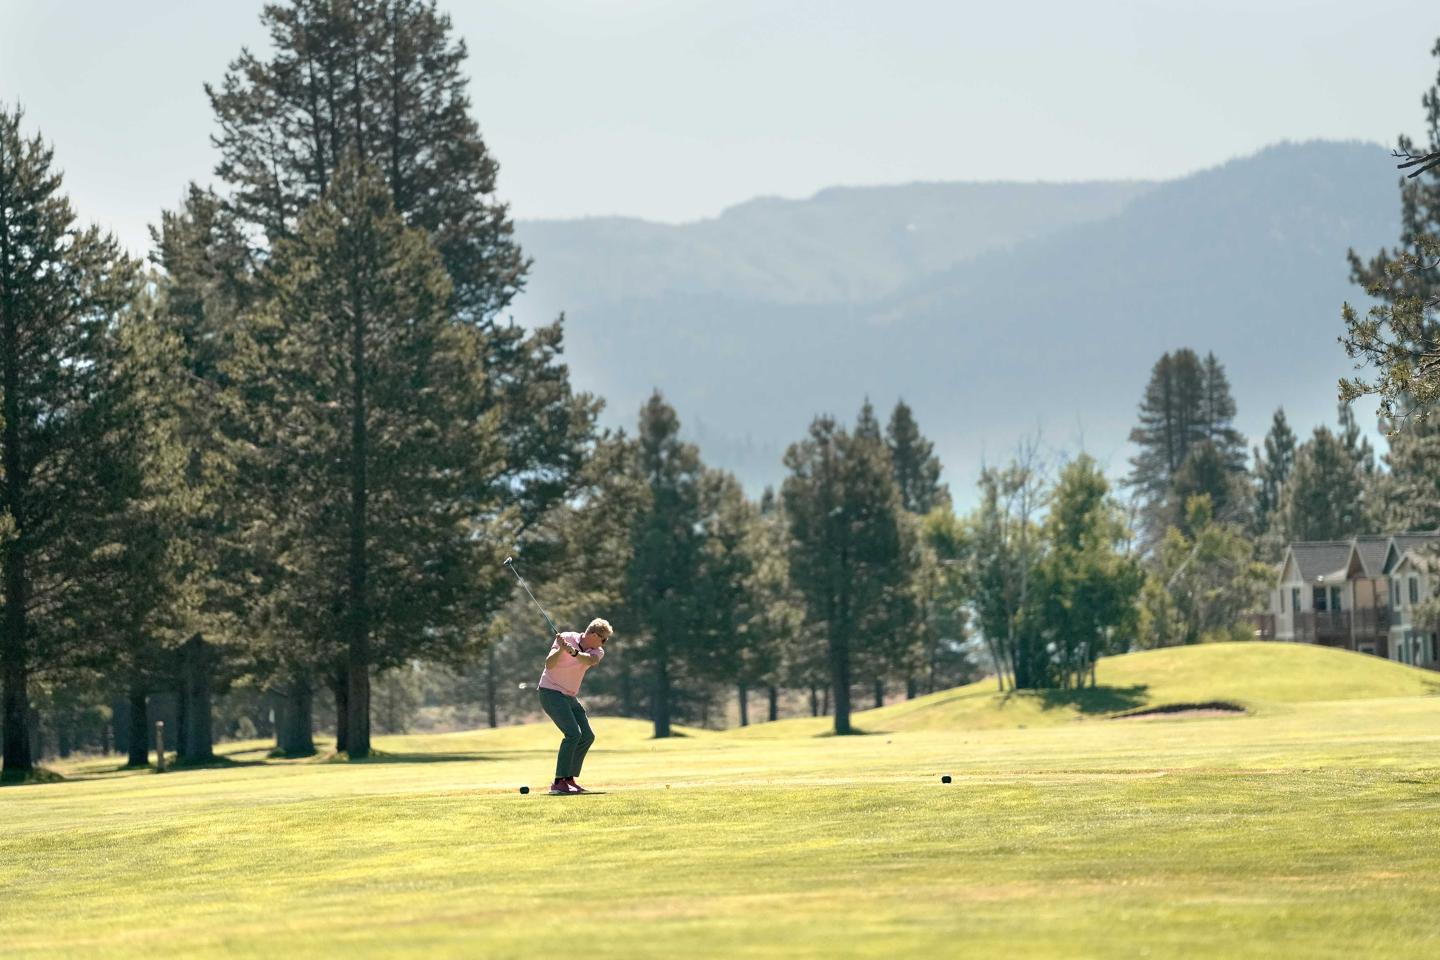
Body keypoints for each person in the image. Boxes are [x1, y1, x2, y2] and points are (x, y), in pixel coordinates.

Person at [536, 618, 613, 794]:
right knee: (572, 734)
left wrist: (574, 653)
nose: (604, 643)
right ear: (594, 635)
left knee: (587, 736)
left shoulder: (597, 651)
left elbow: (590, 661)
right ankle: (558, 783)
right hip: (550, 692)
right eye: (603, 639)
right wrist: (562, 649)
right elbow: (549, 664)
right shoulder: (566, 637)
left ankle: (569, 779)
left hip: (569, 696)